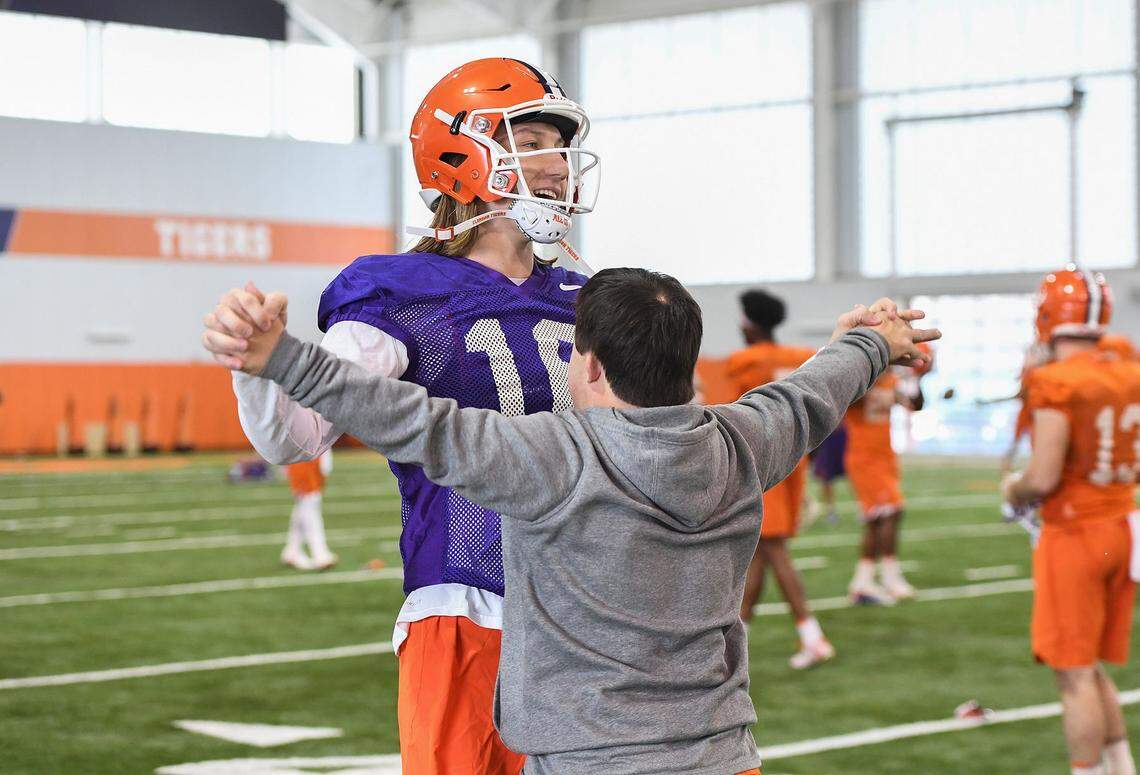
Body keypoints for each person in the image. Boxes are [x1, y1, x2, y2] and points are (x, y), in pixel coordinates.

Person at [211, 268, 936, 775]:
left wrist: (278, 356)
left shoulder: (551, 457)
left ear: (585, 366)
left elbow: (407, 419)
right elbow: (814, 391)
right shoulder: (745, 441)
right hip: (723, 757)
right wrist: (874, 342)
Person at [201, 58, 598, 774]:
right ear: (463, 153)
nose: (558, 165)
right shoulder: (404, 293)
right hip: (469, 603)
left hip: (592, 604)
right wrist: (258, 367)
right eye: (532, 139)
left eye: (559, 146)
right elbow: (296, 437)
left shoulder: (589, 295)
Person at [1003, 267, 1139, 775]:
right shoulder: (1128, 366)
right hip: (1123, 524)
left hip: (1077, 531)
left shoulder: (1057, 379)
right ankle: (1122, 765)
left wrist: (1012, 489)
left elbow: (1041, 478)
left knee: (1073, 673)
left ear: (1047, 314)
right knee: (1090, 662)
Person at [727, 289, 833, 670]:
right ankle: (735, 640)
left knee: (772, 550)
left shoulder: (745, 361)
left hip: (761, 464)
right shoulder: (798, 357)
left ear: (750, 323)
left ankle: (812, 635)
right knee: (759, 554)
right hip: (794, 460)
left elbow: (736, 419)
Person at [844, 351, 926, 605]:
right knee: (891, 510)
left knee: (877, 518)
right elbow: (845, 402)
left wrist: (916, 378)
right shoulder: (861, 381)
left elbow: (916, 404)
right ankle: (890, 576)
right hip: (864, 458)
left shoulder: (891, 380)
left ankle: (863, 581)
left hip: (885, 457)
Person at [281, 451, 338, 571]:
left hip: (307, 453)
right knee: (310, 502)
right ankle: (320, 553)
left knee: (304, 504)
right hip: (304, 455)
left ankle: (292, 550)